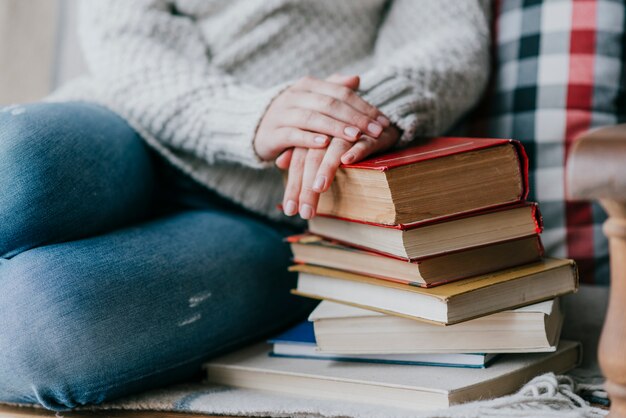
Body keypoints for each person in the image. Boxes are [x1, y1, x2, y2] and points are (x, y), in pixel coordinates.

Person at [0, 0, 490, 411]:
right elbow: (124, 32)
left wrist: (355, 115)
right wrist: (249, 116)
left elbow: (449, 42)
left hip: (275, 201)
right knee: (14, 159)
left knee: (44, 327)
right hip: (128, 118)